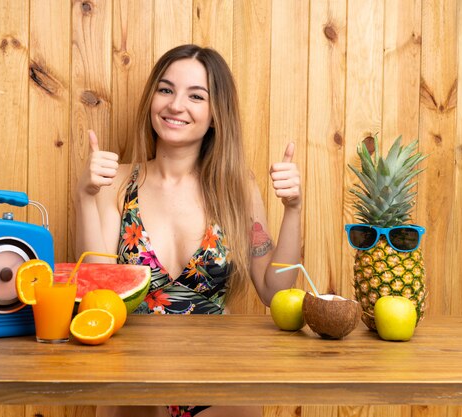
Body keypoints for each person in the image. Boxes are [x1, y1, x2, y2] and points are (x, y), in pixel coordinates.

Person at [75, 44, 302, 417]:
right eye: (166, 90)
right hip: (131, 384)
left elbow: (273, 290)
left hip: (220, 382)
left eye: (196, 96)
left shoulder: (237, 189)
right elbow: (98, 291)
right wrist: (84, 196)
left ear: (215, 115)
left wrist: (293, 209)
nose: (175, 105)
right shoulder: (116, 183)